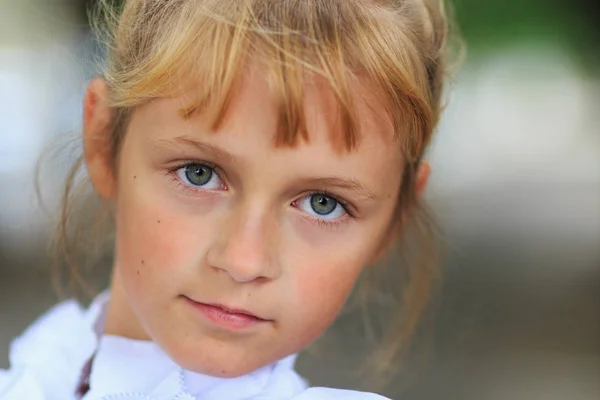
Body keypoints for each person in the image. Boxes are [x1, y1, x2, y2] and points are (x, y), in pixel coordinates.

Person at [0, 0, 455, 398]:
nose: (243, 260)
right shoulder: (37, 376)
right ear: (102, 143)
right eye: (199, 175)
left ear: (396, 217)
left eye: (322, 203)